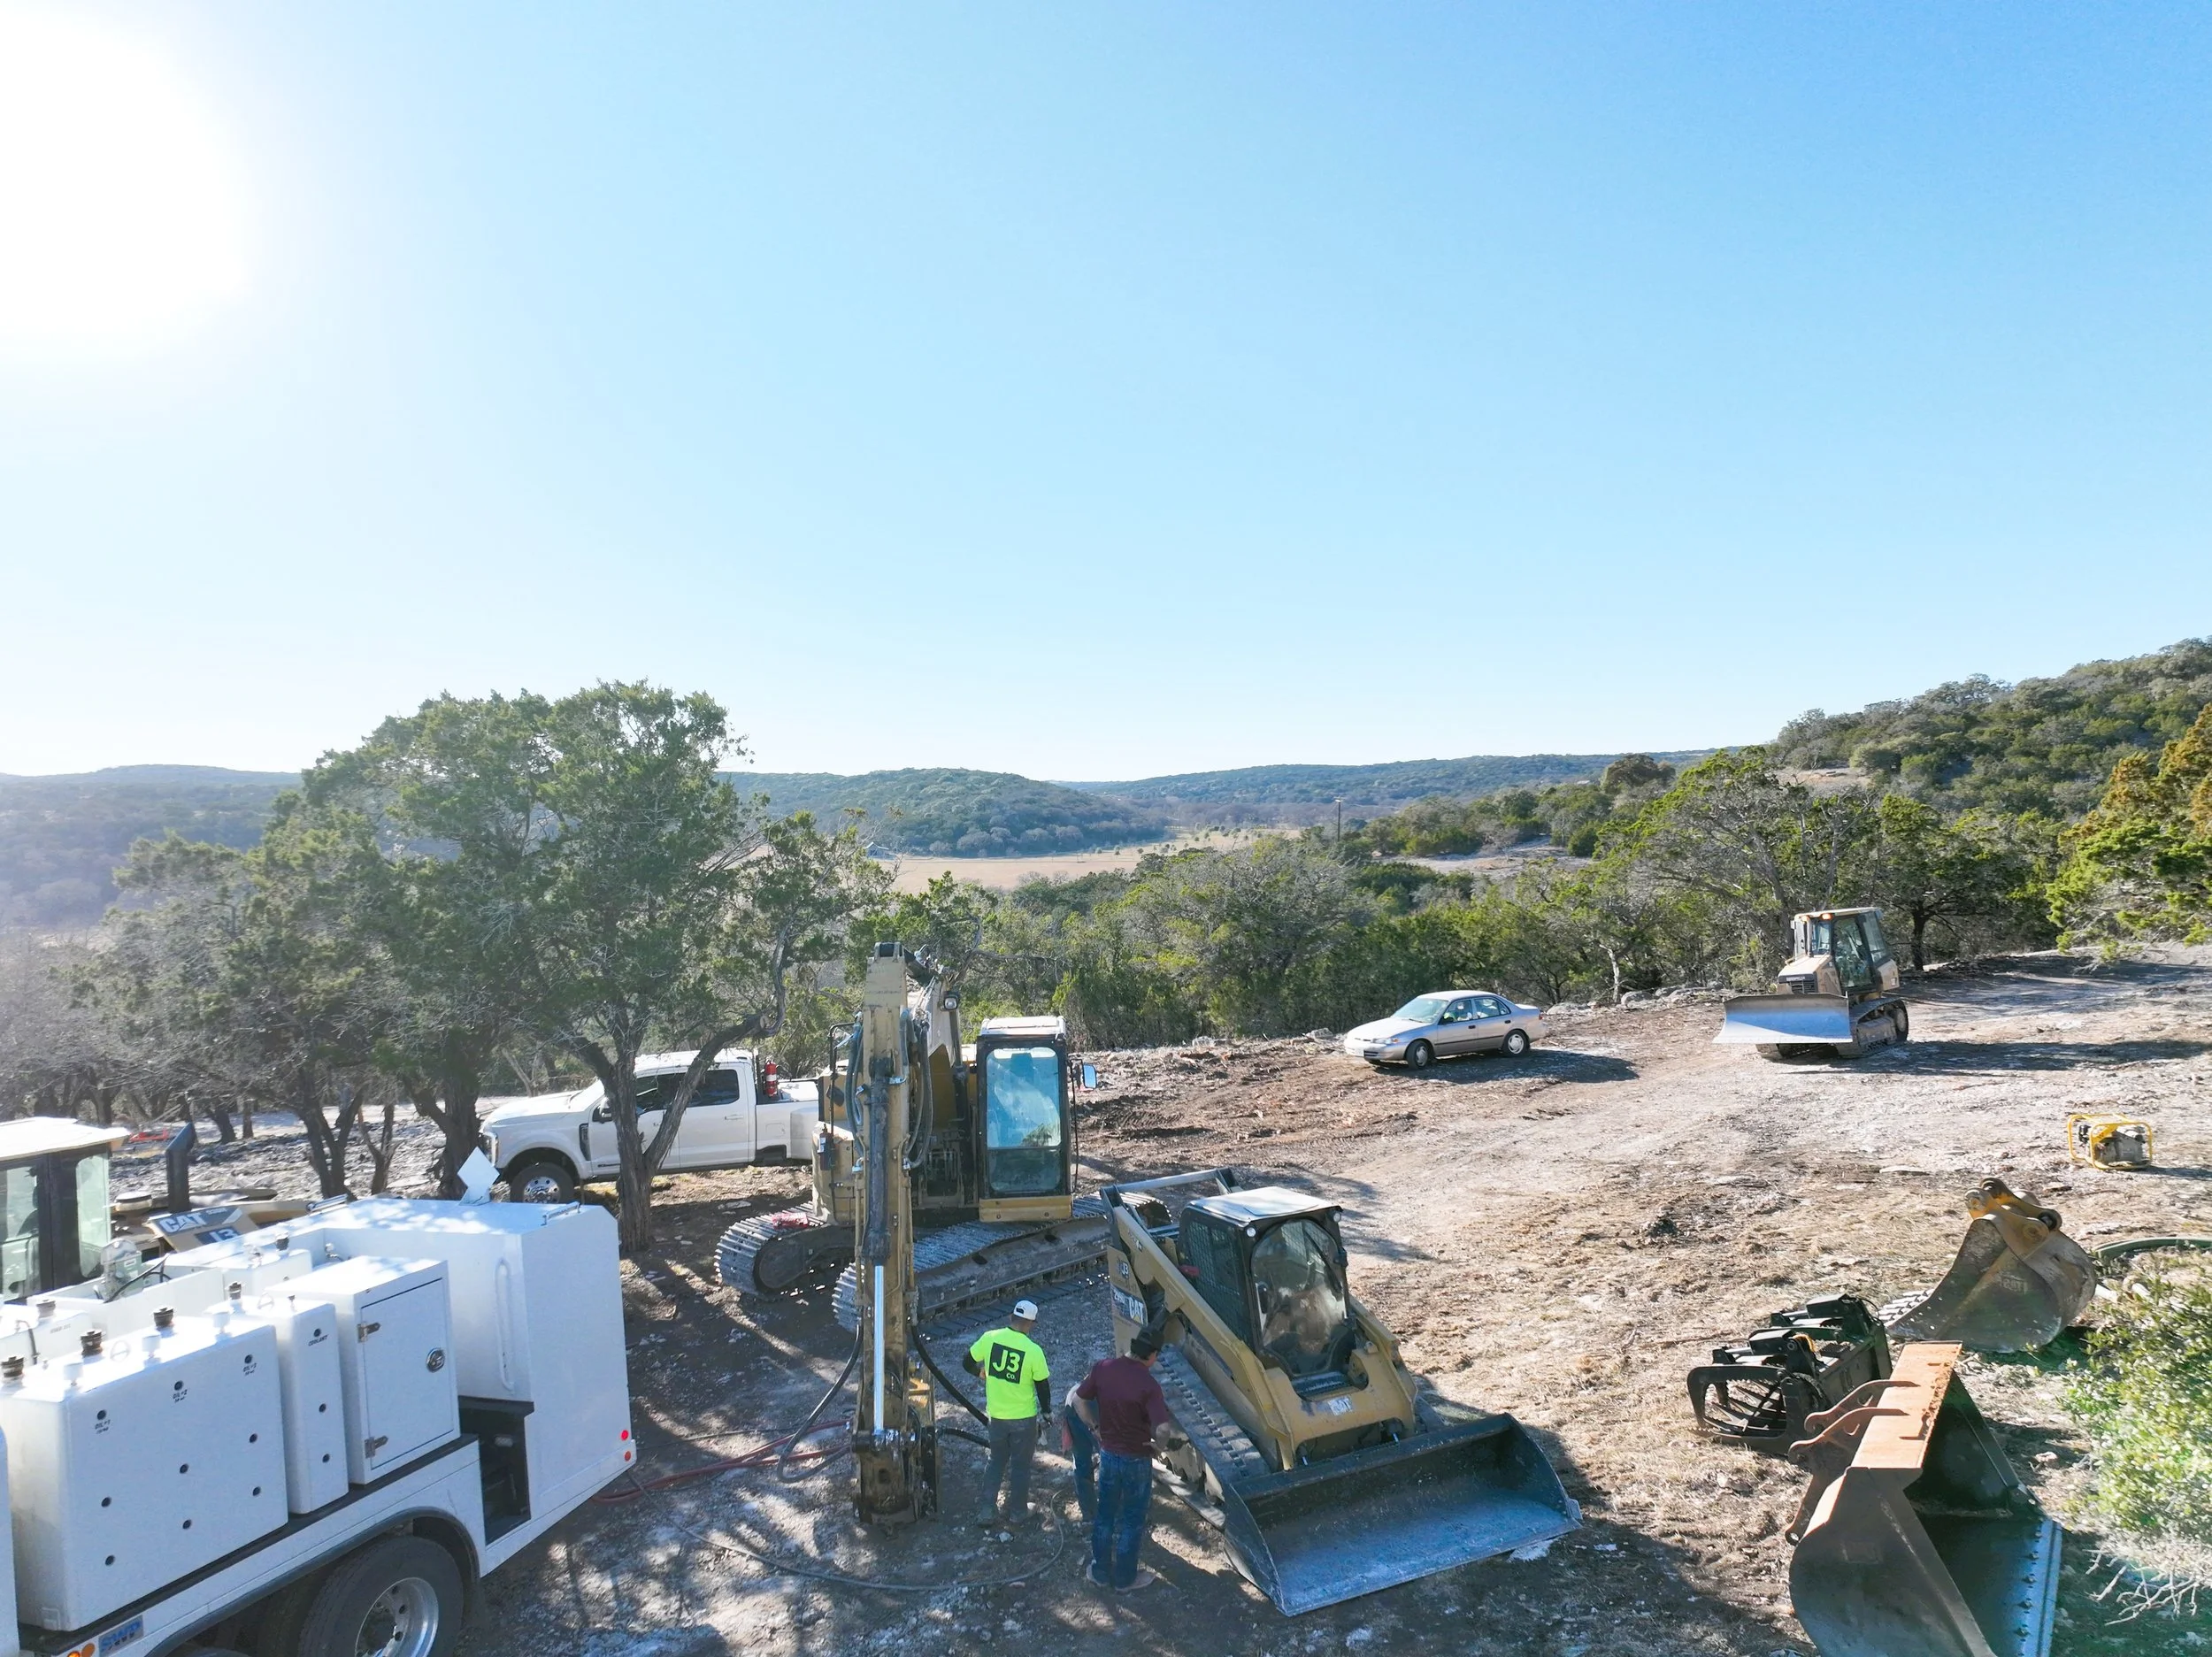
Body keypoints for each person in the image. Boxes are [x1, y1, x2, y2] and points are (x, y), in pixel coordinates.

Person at [1073, 1332, 1177, 1592]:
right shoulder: (1148, 1384)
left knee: (1105, 1514)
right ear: (1151, 1355)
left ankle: (1099, 1572)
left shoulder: (1104, 1368)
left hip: (1109, 1455)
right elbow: (1163, 1429)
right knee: (1132, 1518)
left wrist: (1094, 1427)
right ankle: (1124, 1578)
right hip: (1137, 1459)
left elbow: (1078, 1400)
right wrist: (1158, 1448)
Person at [963, 1298, 1051, 1524]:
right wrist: (1047, 1412)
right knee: (1020, 1466)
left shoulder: (989, 1338)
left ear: (1012, 1317)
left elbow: (966, 1362)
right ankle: (1018, 1511)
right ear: (1031, 1324)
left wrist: (980, 1373)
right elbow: (1042, 1386)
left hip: (997, 1417)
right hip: (1024, 1419)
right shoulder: (1033, 1351)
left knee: (996, 1461)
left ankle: (986, 1511)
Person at [1062, 1378, 1097, 1522]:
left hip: (1073, 1402)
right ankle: (1110, 1512)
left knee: (1082, 1461)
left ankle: (1088, 1510)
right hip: (1086, 1407)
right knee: (1113, 1461)